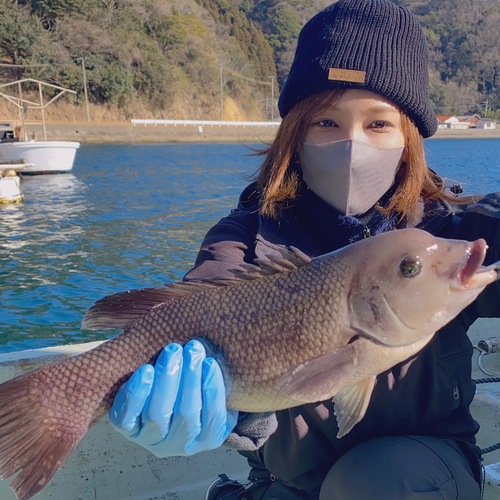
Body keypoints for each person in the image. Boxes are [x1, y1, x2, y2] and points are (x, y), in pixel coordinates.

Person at [109, 0, 500, 498]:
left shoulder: (447, 229)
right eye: (325, 122)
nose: (352, 143)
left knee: (377, 482)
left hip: (424, 472)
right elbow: (201, 297)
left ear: (410, 137)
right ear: (294, 133)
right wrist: (231, 416)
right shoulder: (242, 235)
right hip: (285, 480)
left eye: (379, 123)